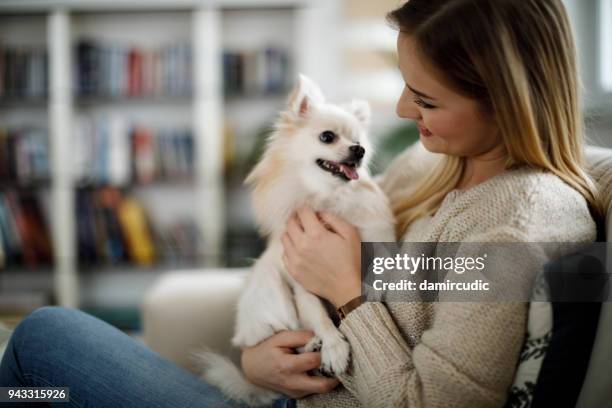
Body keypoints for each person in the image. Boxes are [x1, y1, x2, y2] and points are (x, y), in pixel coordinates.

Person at [0, 0, 601, 407]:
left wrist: (346, 291)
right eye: (406, 86)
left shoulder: (511, 230)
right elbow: (325, 266)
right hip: (281, 391)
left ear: (507, 98)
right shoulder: (433, 169)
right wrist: (259, 363)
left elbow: (429, 399)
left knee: (37, 349)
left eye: (426, 98)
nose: (399, 111)